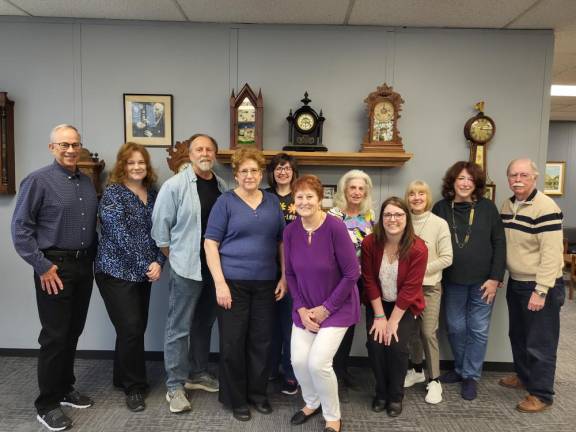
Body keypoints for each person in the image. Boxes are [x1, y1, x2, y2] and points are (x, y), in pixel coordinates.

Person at [11, 124, 98, 431]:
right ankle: (46, 403)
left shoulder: (85, 182)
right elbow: (20, 230)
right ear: (52, 148)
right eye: (64, 145)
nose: (71, 149)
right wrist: (42, 266)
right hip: (54, 268)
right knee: (54, 336)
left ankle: (64, 388)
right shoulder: (37, 181)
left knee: (72, 331)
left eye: (75, 144)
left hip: (83, 266)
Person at [204, 148, 286, 422]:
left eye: (254, 171)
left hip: (265, 282)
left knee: (262, 342)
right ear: (236, 175)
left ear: (261, 174)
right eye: (244, 171)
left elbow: (281, 242)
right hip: (233, 283)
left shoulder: (272, 201)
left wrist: (284, 276)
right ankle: (236, 398)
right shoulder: (225, 202)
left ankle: (257, 394)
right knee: (233, 342)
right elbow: (210, 243)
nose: (249, 175)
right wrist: (220, 284)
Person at [151, 134, 227, 414]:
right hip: (187, 268)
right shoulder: (174, 186)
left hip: (213, 268)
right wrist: (179, 259)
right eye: (199, 149)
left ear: (214, 154)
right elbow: (160, 232)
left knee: (204, 324)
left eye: (209, 148)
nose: (204, 153)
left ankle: (197, 374)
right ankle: (174, 386)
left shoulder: (220, 185)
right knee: (178, 327)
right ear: (190, 153)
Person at [284, 175, 360, 432]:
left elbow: (352, 274)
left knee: (318, 363)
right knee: (298, 361)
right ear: (294, 201)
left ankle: (332, 416)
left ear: (320, 200)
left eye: (309, 197)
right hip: (305, 307)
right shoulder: (290, 231)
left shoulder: (335, 227)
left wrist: (326, 308)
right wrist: (302, 309)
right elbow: (291, 274)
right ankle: (311, 402)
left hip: (337, 307)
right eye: (299, 197)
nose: (304, 201)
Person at [94, 142, 164, 412]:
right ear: (122, 166)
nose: (136, 167)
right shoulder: (113, 194)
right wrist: (148, 264)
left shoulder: (154, 194)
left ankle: (119, 376)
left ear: (147, 166)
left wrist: (159, 261)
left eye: (141, 162)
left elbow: (163, 229)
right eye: (131, 162)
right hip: (114, 271)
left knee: (132, 329)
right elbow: (119, 235)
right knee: (132, 327)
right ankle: (134, 387)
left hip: (145, 272)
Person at [432, 161, 506, 401]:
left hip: (484, 282)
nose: (464, 183)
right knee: (455, 327)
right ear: (452, 182)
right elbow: (431, 246)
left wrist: (495, 278)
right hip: (452, 281)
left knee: (478, 329)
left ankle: (470, 376)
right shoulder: (441, 208)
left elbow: (499, 244)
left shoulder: (488, 208)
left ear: (476, 184)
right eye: (460, 178)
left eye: (470, 180)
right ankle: (462, 370)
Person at [499, 158, 565, 413]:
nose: (518, 180)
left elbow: (551, 255)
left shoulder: (546, 207)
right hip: (517, 282)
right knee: (519, 336)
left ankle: (541, 394)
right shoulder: (508, 205)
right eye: (513, 175)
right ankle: (524, 376)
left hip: (540, 286)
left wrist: (541, 290)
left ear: (535, 178)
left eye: (524, 175)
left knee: (540, 342)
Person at [362, 197, 427, 417]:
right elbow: (369, 279)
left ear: (407, 218)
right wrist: (380, 316)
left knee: (397, 347)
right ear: (381, 218)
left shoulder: (418, 248)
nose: (393, 219)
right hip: (378, 303)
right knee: (375, 345)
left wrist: (392, 322)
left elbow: (410, 288)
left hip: (405, 307)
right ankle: (381, 392)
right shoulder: (370, 242)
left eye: (398, 215)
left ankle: (395, 396)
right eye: (388, 214)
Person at [404, 180, 453, 404]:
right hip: (405, 288)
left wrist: (418, 270)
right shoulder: (401, 220)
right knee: (410, 333)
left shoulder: (439, 223)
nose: (416, 198)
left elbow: (447, 258)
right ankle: (416, 370)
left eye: (421, 194)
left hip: (430, 287)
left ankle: (434, 381)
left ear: (427, 197)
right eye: (412, 194)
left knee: (427, 332)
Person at [328, 169, 375, 394]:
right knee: (336, 327)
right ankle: (333, 372)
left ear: (366, 192)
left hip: (360, 280)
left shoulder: (369, 216)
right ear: (344, 190)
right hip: (337, 282)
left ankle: (342, 369)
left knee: (350, 325)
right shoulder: (333, 216)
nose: (356, 192)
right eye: (352, 187)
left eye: (360, 188)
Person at [265, 153, 299, 395]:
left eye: (286, 168)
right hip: (266, 267)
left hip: (296, 270)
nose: (282, 172)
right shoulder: (264, 197)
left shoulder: (301, 195)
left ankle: (290, 371)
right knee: (268, 324)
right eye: (278, 168)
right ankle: (269, 368)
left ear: (293, 171)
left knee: (290, 324)